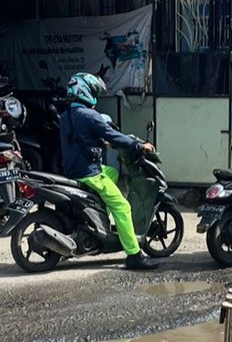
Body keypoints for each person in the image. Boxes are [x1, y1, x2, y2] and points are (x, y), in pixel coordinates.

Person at [59, 71, 159, 271]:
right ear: (85, 92)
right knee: (122, 207)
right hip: (89, 174)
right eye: (94, 91)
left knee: (112, 172)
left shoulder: (66, 116)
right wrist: (138, 146)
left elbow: (82, 140)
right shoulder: (90, 116)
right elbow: (112, 134)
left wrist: (102, 143)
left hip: (74, 169)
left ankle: (100, 218)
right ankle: (134, 255)